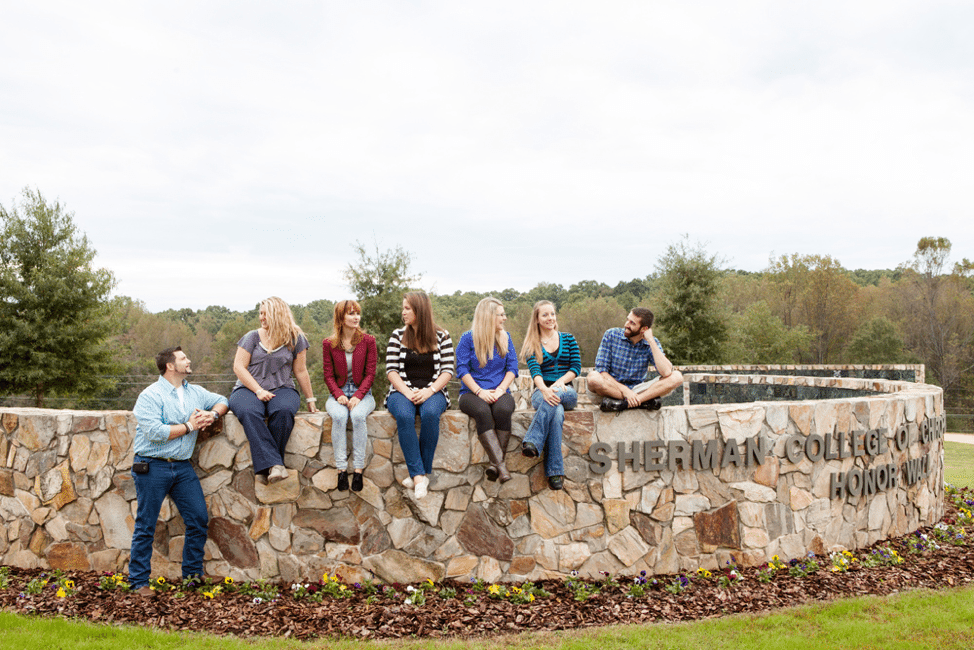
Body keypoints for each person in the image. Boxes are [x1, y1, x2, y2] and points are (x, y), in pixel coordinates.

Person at [130, 346, 228, 597]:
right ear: (170, 366)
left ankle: (192, 577)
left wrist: (212, 413)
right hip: (152, 465)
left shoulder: (194, 392)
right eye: (184, 358)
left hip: (182, 467)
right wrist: (189, 426)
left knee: (198, 519)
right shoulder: (150, 395)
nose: (189, 360)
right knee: (146, 525)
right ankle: (139, 581)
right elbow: (154, 432)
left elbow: (223, 400)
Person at [229, 297, 317, 482]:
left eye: (265, 314)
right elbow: (239, 367)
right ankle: (276, 465)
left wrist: (310, 400)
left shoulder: (296, 338)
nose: (261, 318)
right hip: (247, 389)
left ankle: (265, 469)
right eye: (260, 313)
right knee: (249, 411)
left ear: (277, 315)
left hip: (283, 387)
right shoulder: (251, 337)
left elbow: (300, 371)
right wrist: (258, 390)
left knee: (283, 411)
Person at [386, 291, 454, 499]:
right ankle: (419, 477)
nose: (403, 312)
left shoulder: (442, 336)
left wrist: (429, 391)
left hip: (434, 391)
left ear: (419, 310)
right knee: (405, 416)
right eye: (403, 308)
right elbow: (391, 370)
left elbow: (448, 370)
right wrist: (407, 392)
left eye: (407, 308)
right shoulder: (397, 336)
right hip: (401, 391)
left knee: (430, 414)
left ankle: (418, 474)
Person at [519, 301, 581, 490]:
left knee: (558, 399)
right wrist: (545, 390)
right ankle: (555, 473)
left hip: (566, 390)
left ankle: (533, 441)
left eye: (552, 314)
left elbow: (575, 368)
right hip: (541, 391)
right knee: (556, 413)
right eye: (545, 315)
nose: (550, 318)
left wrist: (559, 383)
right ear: (537, 319)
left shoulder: (568, 339)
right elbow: (535, 373)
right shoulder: (531, 344)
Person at [456, 297, 518, 483]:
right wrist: (479, 391)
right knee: (482, 412)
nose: (504, 318)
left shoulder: (505, 338)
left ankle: (494, 465)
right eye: (501, 314)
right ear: (489, 316)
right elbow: (461, 369)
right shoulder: (468, 338)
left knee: (503, 410)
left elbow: (512, 368)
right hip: (471, 393)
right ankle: (501, 466)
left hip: (500, 391)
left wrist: (500, 389)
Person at [322, 300, 377, 493]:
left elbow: (371, 374)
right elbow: (328, 375)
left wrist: (359, 396)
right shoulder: (329, 344)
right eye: (351, 314)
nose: (356, 317)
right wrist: (338, 395)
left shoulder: (368, 341)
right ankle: (341, 470)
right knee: (339, 416)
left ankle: (359, 470)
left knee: (357, 416)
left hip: (364, 394)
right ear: (341, 317)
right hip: (338, 394)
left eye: (357, 313)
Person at [586, 307, 683, 412]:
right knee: (593, 377)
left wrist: (650, 340)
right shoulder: (611, 335)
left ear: (643, 329)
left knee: (677, 377)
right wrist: (625, 391)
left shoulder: (651, 342)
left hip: (638, 390)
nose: (626, 324)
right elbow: (601, 371)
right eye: (628, 319)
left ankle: (626, 403)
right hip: (610, 389)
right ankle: (641, 401)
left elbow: (666, 372)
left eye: (632, 323)